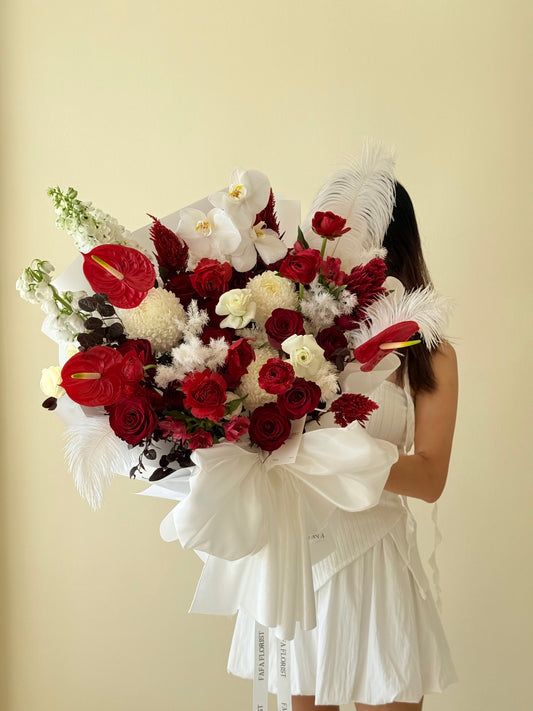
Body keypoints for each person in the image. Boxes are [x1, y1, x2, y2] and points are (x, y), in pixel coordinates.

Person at [227, 182, 459, 710]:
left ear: (389, 244)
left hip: (377, 559)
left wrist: (346, 458)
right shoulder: (285, 331)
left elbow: (430, 479)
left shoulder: (429, 354)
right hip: (297, 557)